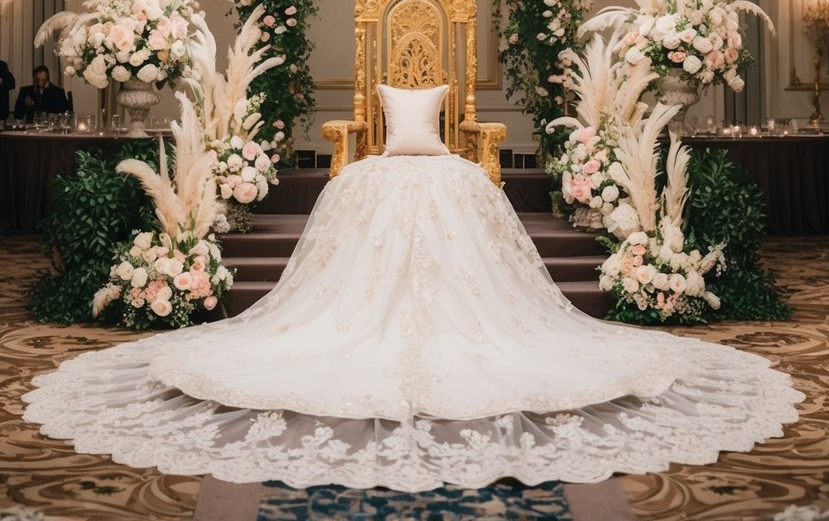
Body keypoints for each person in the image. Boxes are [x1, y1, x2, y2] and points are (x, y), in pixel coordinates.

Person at [22, 151, 802, 488]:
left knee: (459, 208)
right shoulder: (369, 160)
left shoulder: (459, 164)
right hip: (381, 170)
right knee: (364, 206)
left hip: (451, 170)